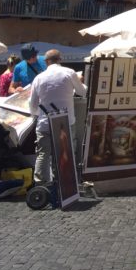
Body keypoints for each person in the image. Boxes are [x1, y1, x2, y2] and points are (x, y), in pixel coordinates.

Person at [27, 49, 87, 185]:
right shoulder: (69, 73)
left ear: (46, 61)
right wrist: (80, 82)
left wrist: (36, 114)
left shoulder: (39, 77)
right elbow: (82, 92)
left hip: (44, 122)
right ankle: (62, 186)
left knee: (43, 155)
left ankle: (40, 186)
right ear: (60, 59)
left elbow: (33, 104)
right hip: (65, 121)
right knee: (63, 155)